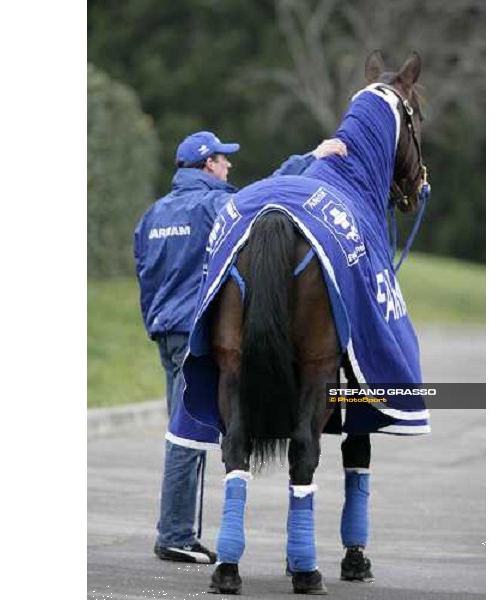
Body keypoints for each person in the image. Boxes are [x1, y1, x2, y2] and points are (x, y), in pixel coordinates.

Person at [134, 130, 347, 564]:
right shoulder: (215, 206)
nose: (228, 166)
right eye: (223, 159)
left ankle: (178, 530)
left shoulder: (152, 215)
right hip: (193, 330)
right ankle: (174, 534)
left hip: (163, 328)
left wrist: (155, 321)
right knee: (186, 432)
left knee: (185, 424)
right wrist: (309, 156)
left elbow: (144, 272)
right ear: (208, 164)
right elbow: (261, 194)